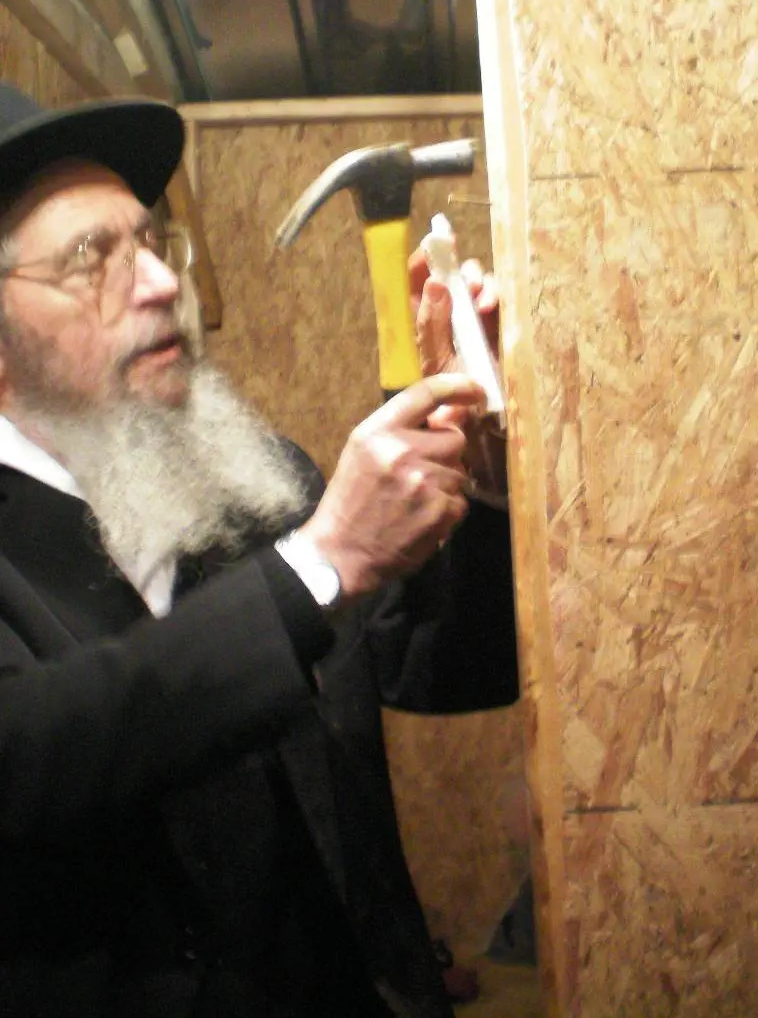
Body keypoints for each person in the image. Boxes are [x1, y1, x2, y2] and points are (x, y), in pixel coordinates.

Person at [0, 80, 518, 1018]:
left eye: (151, 243)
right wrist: (314, 568)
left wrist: (474, 475)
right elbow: (31, 755)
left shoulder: (252, 478)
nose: (161, 284)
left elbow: (436, 668)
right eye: (90, 259)